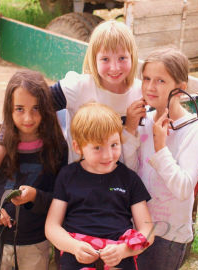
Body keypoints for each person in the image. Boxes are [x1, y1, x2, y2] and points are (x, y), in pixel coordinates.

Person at [0, 19, 142, 174]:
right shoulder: (78, 87)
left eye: (122, 58)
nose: (114, 67)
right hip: (78, 184)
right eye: (105, 59)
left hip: (122, 185)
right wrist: (2, 145)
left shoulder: (140, 92)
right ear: (94, 59)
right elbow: (29, 104)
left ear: (133, 57)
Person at [0, 70, 68, 270]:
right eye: (20, 109)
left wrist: (34, 197)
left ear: (47, 109)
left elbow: (60, 200)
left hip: (35, 245)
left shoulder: (56, 148)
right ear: (9, 109)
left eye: (36, 108)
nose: (28, 118)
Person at [122, 47, 198, 270]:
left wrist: (161, 148)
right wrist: (130, 130)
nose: (150, 87)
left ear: (179, 89)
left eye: (160, 81)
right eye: (147, 78)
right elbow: (130, 172)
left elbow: (183, 189)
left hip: (168, 235)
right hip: (137, 225)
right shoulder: (144, 120)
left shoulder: (193, 131)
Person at [45, 102, 154, 270]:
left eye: (114, 144)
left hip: (119, 259)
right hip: (76, 259)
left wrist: (124, 250)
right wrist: (74, 247)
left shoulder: (129, 179)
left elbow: (147, 229)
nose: (108, 155)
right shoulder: (67, 176)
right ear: (78, 147)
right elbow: (52, 227)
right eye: (97, 147)